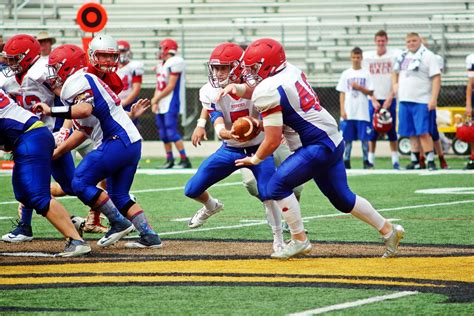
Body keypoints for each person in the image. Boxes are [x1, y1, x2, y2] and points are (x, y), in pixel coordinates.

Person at [218, 38, 405, 259]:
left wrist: (256, 159)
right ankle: (388, 230)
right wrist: (238, 89)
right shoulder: (290, 70)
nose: (250, 73)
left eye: (254, 68)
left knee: (276, 186)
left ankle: (299, 240)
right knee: (343, 199)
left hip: (314, 144)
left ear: (267, 65)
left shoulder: (267, 88)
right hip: (332, 138)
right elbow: (271, 95)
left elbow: (273, 139)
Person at [34, 43, 162, 249]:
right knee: (119, 195)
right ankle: (150, 236)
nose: (53, 73)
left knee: (79, 181)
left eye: (56, 67)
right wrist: (57, 153)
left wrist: (51, 111)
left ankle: (118, 222)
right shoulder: (84, 80)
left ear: (67, 67)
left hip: (115, 141)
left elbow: (84, 110)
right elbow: (83, 130)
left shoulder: (78, 81)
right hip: (130, 143)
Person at [185, 42, 285, 254]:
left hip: (259, 147)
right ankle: (212, 206)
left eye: (224, 67)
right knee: (192, 189)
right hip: (230, 149)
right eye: (216, 67)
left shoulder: (256, 86)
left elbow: (269, 115)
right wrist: (224, 133)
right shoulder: (209, 91)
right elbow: (217, 120)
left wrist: (255, 124)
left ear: (238, 67)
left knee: (267, 193)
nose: (219, 73)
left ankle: (279, 239)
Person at [0, 34, 77, 243]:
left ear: (27, 57)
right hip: (25, 135)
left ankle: (116, 214)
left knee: (71, 185)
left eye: (14, 59)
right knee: (28, 185)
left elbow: (69, 97)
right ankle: (25, 226)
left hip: (51, 132)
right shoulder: (6, 79)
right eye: (8, 58)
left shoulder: (43, 71)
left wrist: (65, 129)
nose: (9, 63)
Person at [0, 88, 91, 257]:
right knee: (24, 194)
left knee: (36, 194)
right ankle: (72, 224)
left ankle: (76, 241)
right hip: (29, 137)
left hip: (30, 137)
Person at [392, 32, 441, 170]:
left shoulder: (428, 56)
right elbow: (394, 72)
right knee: (410, 132)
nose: (411, 43)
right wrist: (395, 84)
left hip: (421, 99)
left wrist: (433, 98)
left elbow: (436, 77)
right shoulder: (403, 56)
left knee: (423, 132)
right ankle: (415, 160)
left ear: (420, 41)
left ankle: (430, 160)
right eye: (408, 41)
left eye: (414, 41)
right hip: (405, 99)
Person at [362, 30, 400, 169]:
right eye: (378, 40)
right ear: (375, 41)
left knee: (391, 130)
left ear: (387, 40)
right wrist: (372, 98)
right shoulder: (368, 58)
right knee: (373, 130)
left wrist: (391, 96)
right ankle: (371, 161)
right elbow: (366, 80)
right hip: (374, 98)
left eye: (383, 40)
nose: (381, 43)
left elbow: (397, 78)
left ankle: (395, 160)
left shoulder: (393, 56)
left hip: (389, 97)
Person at [151, 38, 191, 169]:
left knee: (171, 132)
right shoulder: (162, 64)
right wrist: (155, 100)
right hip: (161, 101)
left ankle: (185, 159)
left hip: (171, 101)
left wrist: (156, 99)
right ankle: (170, 159)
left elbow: (171, 86)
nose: (159, 51)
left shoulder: (175, 62)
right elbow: (159, 86)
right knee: (163, 133)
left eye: (161, 48)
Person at [337, 47, 374, 169]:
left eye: (358, 57)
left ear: (361, 58)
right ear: (351, 58)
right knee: (347, 139)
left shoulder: (366, 73)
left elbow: (371, 92)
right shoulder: (346, 74)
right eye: (354, 57)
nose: (356, 60)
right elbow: (342, 93)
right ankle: (346, 160)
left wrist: (359, 87)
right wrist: (342, 109)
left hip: (362, 111)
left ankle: (366, 160)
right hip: (349, 111)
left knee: (364, 139)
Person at [117, 40, 144, 117]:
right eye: (119, 51)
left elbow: (136, 88)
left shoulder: (134, 66)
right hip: (115, 102)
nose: (121, 53)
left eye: (123, 51)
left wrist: (125, 102)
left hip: (130, 102)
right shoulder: (112, 68)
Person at [464, 53, 474, 169]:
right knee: (472, 129)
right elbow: (470, 83)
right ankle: (473, 156)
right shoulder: (472, 58)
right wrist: (468, 104)